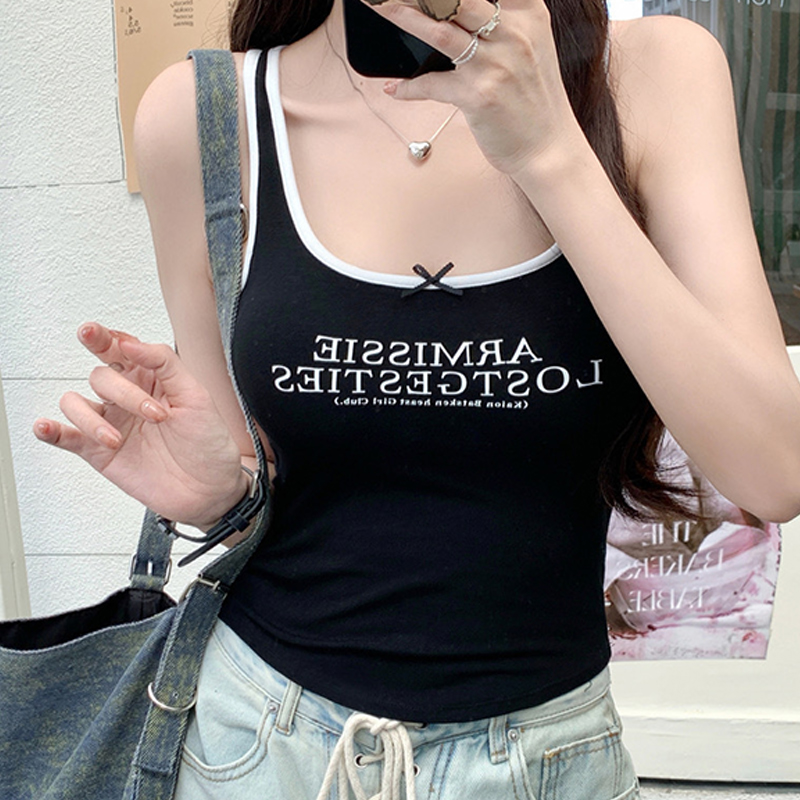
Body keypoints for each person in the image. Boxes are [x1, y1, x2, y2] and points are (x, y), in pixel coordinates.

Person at [33, 0, 800, 797]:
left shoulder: (651, 74)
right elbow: (257, 482)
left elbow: (775, 471)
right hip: (259, 744)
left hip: (546, 758)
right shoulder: (204, 114)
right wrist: (221, 494)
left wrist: (549, 151)